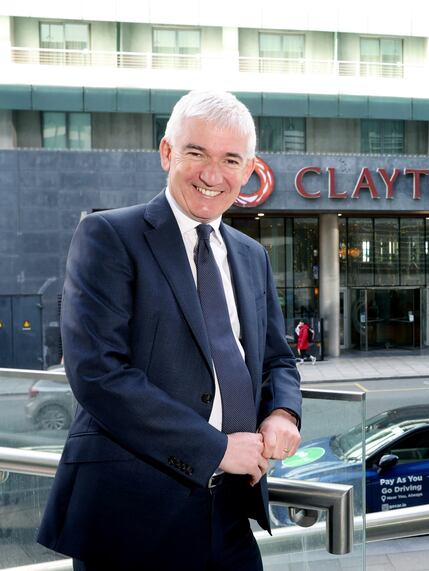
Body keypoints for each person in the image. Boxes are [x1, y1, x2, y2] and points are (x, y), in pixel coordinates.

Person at [38, 90, 302, 571]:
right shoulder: (109, 237)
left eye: (230, 160)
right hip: (131, 519)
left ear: (248, 171)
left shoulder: (251, 255)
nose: (212, 174)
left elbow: (277, 358)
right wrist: (217, 448)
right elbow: (99, 374)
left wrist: (284, 411)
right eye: (196, 152)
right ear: (167, 153)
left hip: (229, 516)